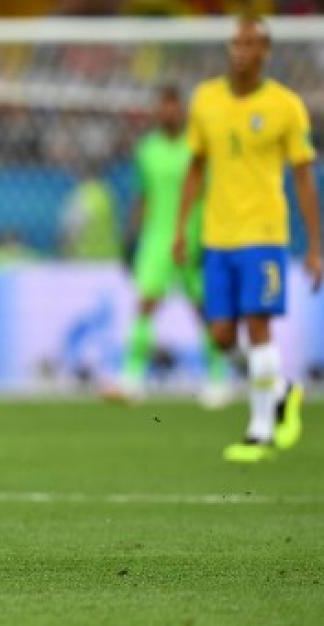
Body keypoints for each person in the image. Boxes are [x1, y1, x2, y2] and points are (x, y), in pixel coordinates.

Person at [174, 17, 321, 463]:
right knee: (221, 336)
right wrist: (182, 228)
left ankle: (260, 431)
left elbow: (302, 177)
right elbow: (196, 166)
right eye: (236, 41)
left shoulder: (286, 106)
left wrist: (315, 246)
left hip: (264, 235)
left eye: (250, 43)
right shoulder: (205, 100)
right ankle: (280, 388)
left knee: (258, 328)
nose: (240, 49)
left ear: (265, 52)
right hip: (218, 236)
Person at [103, 85, 230, 407]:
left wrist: (212, 236)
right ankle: (132, 379)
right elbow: (142, 196)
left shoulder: (197, 147)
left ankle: (218, 379)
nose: (168, 113)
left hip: (193, 238)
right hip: (157, 240)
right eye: (163, 107)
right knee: (146, 304)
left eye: (173, 107)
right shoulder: (147, 150)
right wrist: (131, 239)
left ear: (182, 110)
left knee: (204, 310)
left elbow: (213, 195)